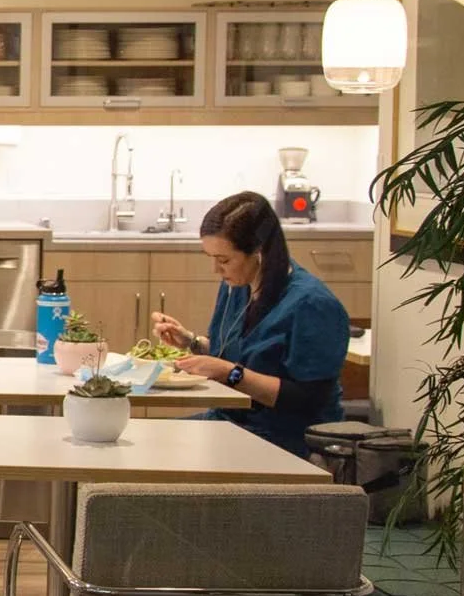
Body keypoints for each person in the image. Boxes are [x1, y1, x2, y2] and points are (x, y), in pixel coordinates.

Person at [148, 190, 350, 456]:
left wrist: (230, 373)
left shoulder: (312, 305)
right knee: (142, 441)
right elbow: (245, 355)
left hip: (285, 440)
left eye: (224, 260)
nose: (216, 271)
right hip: (231, 423)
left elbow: (308, 398)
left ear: (259, 251)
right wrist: (192, 342)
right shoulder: (238, 286)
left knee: (156, 453)